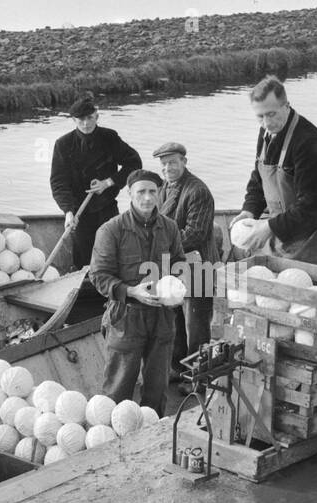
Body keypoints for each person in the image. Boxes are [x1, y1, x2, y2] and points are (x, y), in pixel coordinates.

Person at [89, 169, 186, 417]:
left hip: (162, 318)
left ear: (159, 194)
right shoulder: (111, 230)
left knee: (157, 389)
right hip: (126, 318)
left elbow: (179, 263)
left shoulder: (170, 228)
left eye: (152, 191)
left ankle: (151, 438)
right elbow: (98, 276)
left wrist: (175, 286)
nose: (147, 198)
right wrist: (131, 291)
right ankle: (112, 440)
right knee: (118, 390)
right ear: (129, 194)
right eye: (141, 191)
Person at [231, 76, 317, 269]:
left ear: (286, 106)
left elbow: (311, 206)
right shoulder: (267, 132)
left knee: (313, 292)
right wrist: (249, 210)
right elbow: (259, 179)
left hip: (314, 236)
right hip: (283, 230)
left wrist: (268, 227)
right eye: (260, 116)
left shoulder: (312, 145)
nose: (266, 123)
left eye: (272, 114)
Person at [50, 94, 142, 270]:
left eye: (90, 118)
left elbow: (134, 163)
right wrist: (68, 212)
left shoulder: (110, 137)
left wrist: (107, 183)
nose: (86, 124)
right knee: (84, 261)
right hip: (79, 214)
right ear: (73, 120)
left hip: (106, 208)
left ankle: (114, 293)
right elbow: (58, 182)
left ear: (97, 116)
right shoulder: (63, 144)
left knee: (113, 254)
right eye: (81, 119)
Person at [153, 142, 217, 378]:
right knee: (175, 320)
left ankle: (199, 377)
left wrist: (157, 244)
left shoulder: (197, 191)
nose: (168, 167)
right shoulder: (162, 190)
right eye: (164, 164)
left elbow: (195, 234)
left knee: (197, 326)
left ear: (184, 162)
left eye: (172, 162)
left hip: (198, 268)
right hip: (173, 267)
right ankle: (177, 369)